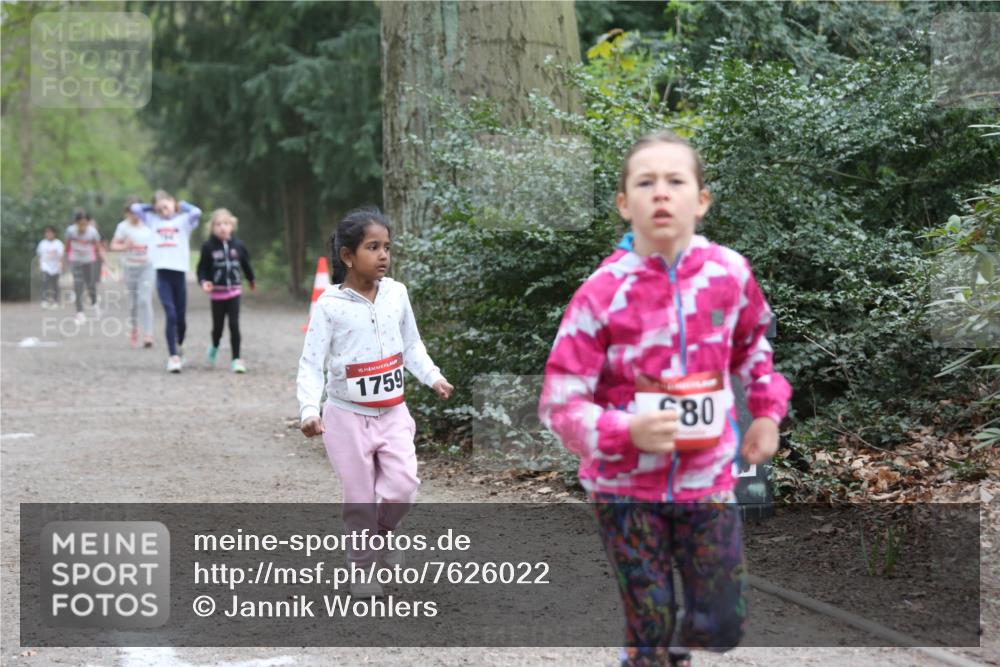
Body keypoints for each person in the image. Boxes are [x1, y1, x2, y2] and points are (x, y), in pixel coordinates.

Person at [538, 131, 792, 667]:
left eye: (675, 181)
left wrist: (767, 414)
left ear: (700, 200)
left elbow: (754, 351)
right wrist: (623, 430)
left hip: (707, 484)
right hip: (624, 491)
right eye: (645, 182)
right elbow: (560, 402)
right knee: (649, 626)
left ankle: (677, 649)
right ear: (624, 204)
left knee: (722, 624)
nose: (660, 193)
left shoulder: (729, 274)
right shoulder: (601, 293)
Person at [297, 206, 454, 598]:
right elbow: (311, 363)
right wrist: (308, 410)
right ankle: (362, 569)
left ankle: (383, 537)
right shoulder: (330, 306)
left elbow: (412, 344)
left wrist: (433, 376)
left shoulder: (396, 294)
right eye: (373, 247)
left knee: (403, 487)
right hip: (346, 418)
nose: (384, 255)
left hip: (393, 413)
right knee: (360, 500)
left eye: (387, 246)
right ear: (348, 256)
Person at [130, 191, 202, 372]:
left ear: (173, 203)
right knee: (170, 314)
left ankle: (179, 344)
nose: (163, 210)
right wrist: (152, 206)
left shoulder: (183, 221)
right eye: (159, 208)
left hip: (179, 274)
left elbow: (197, 212)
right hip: (162, 274)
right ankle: (173, 356)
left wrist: (181, 204)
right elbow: (135, 208)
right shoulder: (153, 221)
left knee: (181, 319)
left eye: (166, 206)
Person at [196, 208, 255, 373]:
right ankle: (214, 346)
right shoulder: (208, 247)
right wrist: (204, 281)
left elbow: (246, 264)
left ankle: (236, 359)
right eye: (218, 224)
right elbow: (201, 268)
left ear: (232, 226)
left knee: (234, 325)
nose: (223, 227)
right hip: (217, 294)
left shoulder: (238, 245)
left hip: (234, 291)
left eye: (226, 224)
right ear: (212, 227)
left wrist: (251, 279)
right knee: (218, 328)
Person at [112, 199, 156, 348]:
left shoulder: (149, 225)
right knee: (133, 302)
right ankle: (134, 329)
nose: (134, 215)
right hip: (129, 268)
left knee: (145, 299)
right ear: (126, 213)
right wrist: (124, 246)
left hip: (147, 267)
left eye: (137, 212)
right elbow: (114, 245)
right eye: (131, 212)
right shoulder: (122, 227)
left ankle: (148, 334)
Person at [64, 210, 104, 323]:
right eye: (80, 223)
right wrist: (63, 261)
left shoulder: (92, 232)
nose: (83, 226)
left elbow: (98, 247)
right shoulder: (70, 231)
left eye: (85, 223)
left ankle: (95, 304)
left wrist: (107, 262)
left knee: (90, 284)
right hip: (75, 260)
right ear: (76, 223)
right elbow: (66, 247)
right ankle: (79, 312)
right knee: (78, 284)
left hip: (89, 260)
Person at [36, 226, 64, 309]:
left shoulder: (58, 243)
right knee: (46, 283)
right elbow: (39, 255)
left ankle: (55, 301)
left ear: (54, 233)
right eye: (47, 232)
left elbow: (61, 255)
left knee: (55, 284)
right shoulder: (42, 243)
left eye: (50, 232)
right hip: (45, 266)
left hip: (56, 266)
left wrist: (61, 264)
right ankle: (44, 300)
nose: (49, 234)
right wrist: (39, 265)